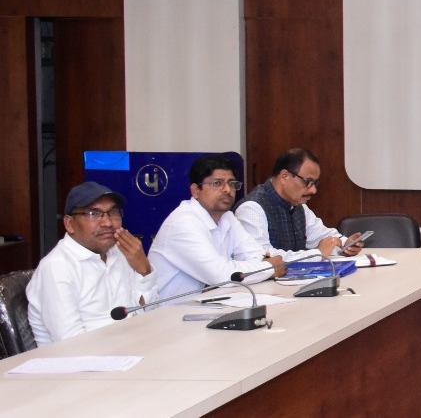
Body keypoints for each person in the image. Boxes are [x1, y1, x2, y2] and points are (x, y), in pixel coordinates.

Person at [25, 182, 158, 345]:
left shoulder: (120, 253)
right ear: (69, 224)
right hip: (81, 359)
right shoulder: (57, 267)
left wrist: (144, 270)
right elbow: (71, 344)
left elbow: (148, 315)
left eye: (113, 212)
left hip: (131, 348)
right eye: (93, 213)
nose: (107, 223)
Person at [148, 155, 286, 298]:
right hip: (173, 309)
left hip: (211, 303)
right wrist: (269, 268)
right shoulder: (183, 222)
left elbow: (256, 255)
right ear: (195, 190)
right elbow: (221, 275)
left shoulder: (227, 217)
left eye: (232, 183)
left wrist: (265, 263)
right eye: (217, 183)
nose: (227, 189)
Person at [236, 148, 362, 260]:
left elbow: (320, 235)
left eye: (315, 183)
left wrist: (345, 244)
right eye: (308, 182)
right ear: (284, 176)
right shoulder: (251, 208)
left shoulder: (298, 206)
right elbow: (262, 257)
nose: (313, 190)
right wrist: (317, 254)